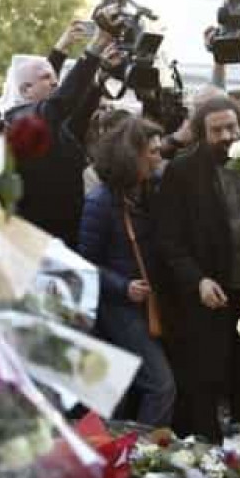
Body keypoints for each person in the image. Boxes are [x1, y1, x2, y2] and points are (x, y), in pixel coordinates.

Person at [157, 97, 240, 441]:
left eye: (231, 128)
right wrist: (197, 280)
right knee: (207, 375)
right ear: (201, 133)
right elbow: (170, 240)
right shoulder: (182, 171)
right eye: (217, 130)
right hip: (210, 289)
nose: (226, 136)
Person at [77, 116, 175, 426]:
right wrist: (123, 286)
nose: (159, 158)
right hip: (119, 307)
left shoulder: (149, 191)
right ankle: (142, 449)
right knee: (160, 385)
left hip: (146, 304)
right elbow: (86, 264)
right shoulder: (100, 202)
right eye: (153, 152)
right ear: (132, 156)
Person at [5, 16, 119, 249]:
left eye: (56, 79)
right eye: (47, 79)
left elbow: (77, 115)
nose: (56, 83)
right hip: (36, 242)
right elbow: (59, 103)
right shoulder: (19, 120)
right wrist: (94, 48)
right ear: (25, 90)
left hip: (69, 238)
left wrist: (98, 82)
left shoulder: (54, 124)